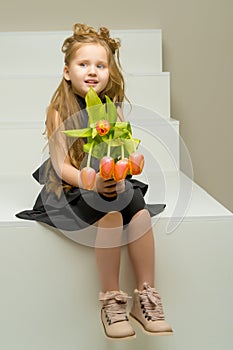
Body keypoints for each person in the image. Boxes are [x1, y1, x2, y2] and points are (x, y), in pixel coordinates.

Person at [16, 23, 173, 340]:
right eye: (83, 64)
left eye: (100, 65)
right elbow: (61, 167)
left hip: (103, 183)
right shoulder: (59, 110)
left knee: (139, 212)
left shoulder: (111, 109)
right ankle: (111, 301)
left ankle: (146, 298)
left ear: (109, 72)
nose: (92, 71)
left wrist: (126, 165)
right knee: (112, 216)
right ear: (66, 71)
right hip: (71, 189)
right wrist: (93, 184)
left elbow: (117, 154)